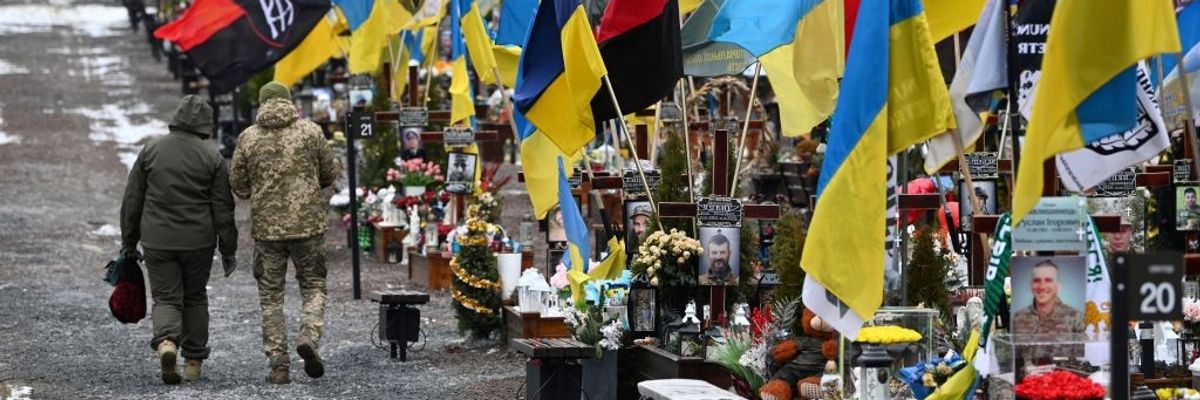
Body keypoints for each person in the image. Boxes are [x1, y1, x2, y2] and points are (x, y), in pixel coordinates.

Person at [120, 95, 237, 385]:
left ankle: (167, 343)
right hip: (198, 241)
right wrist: (228, 249)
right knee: (195, 296)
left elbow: (133, 200)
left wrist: (129, 242)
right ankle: (193, 362)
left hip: (157, 239)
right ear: (204, 124)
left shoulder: (152, 150)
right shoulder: (212, 158)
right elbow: (223, 207)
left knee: (166, 298)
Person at [231, 82, 338, 384]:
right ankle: (308, 337)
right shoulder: (311, 132)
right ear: (289, 102)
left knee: (270, 297)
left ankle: (279, 365)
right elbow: (329, 174)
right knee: (314, 285)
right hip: (309, 226)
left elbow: (238, 186)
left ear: (262, 104)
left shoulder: (249, 138)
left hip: (268, 231)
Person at [1012, 260, 1084, 335]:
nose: (1042, 286)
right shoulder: (1018, 317)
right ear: (1030, 285)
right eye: (1036, 280)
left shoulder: (1076, 318)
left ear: (1058, 287)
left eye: (1048, 280)